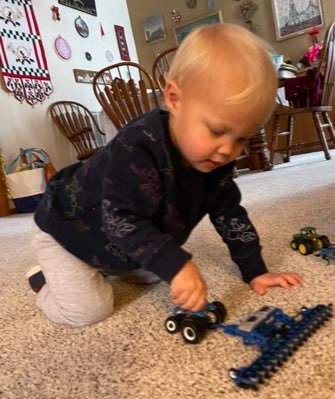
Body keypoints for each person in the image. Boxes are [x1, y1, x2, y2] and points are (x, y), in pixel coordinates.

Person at [28, 23, 303, 327]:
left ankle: (112, 265)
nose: (227, 150)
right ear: (174, 98)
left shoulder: (216, 159)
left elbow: (229, 213)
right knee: (89, 312)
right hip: (68, 229)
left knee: (152, 272)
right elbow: (121, 219)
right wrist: (176, 266)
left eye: (241, 138)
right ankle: (44, 283)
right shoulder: (136, 146)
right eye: (216, 130)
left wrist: (255, 269)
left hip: (116, 238)